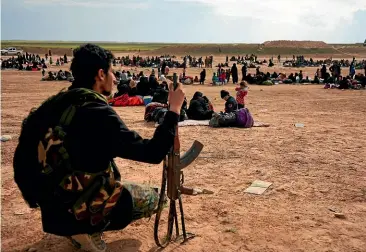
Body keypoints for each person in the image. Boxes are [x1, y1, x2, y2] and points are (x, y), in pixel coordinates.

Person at [13, 44, 186, 252]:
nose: (115, 78)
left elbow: (21, 160)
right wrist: (174, 110)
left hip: (53, 212)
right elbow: (152, 153)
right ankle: (88, 229)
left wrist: (39, 201)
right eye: (112, 72)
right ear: (100, 74)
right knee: (155, 199)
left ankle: (76, 226)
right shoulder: (98, 113)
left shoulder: (51, 107)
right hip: (80, 207)